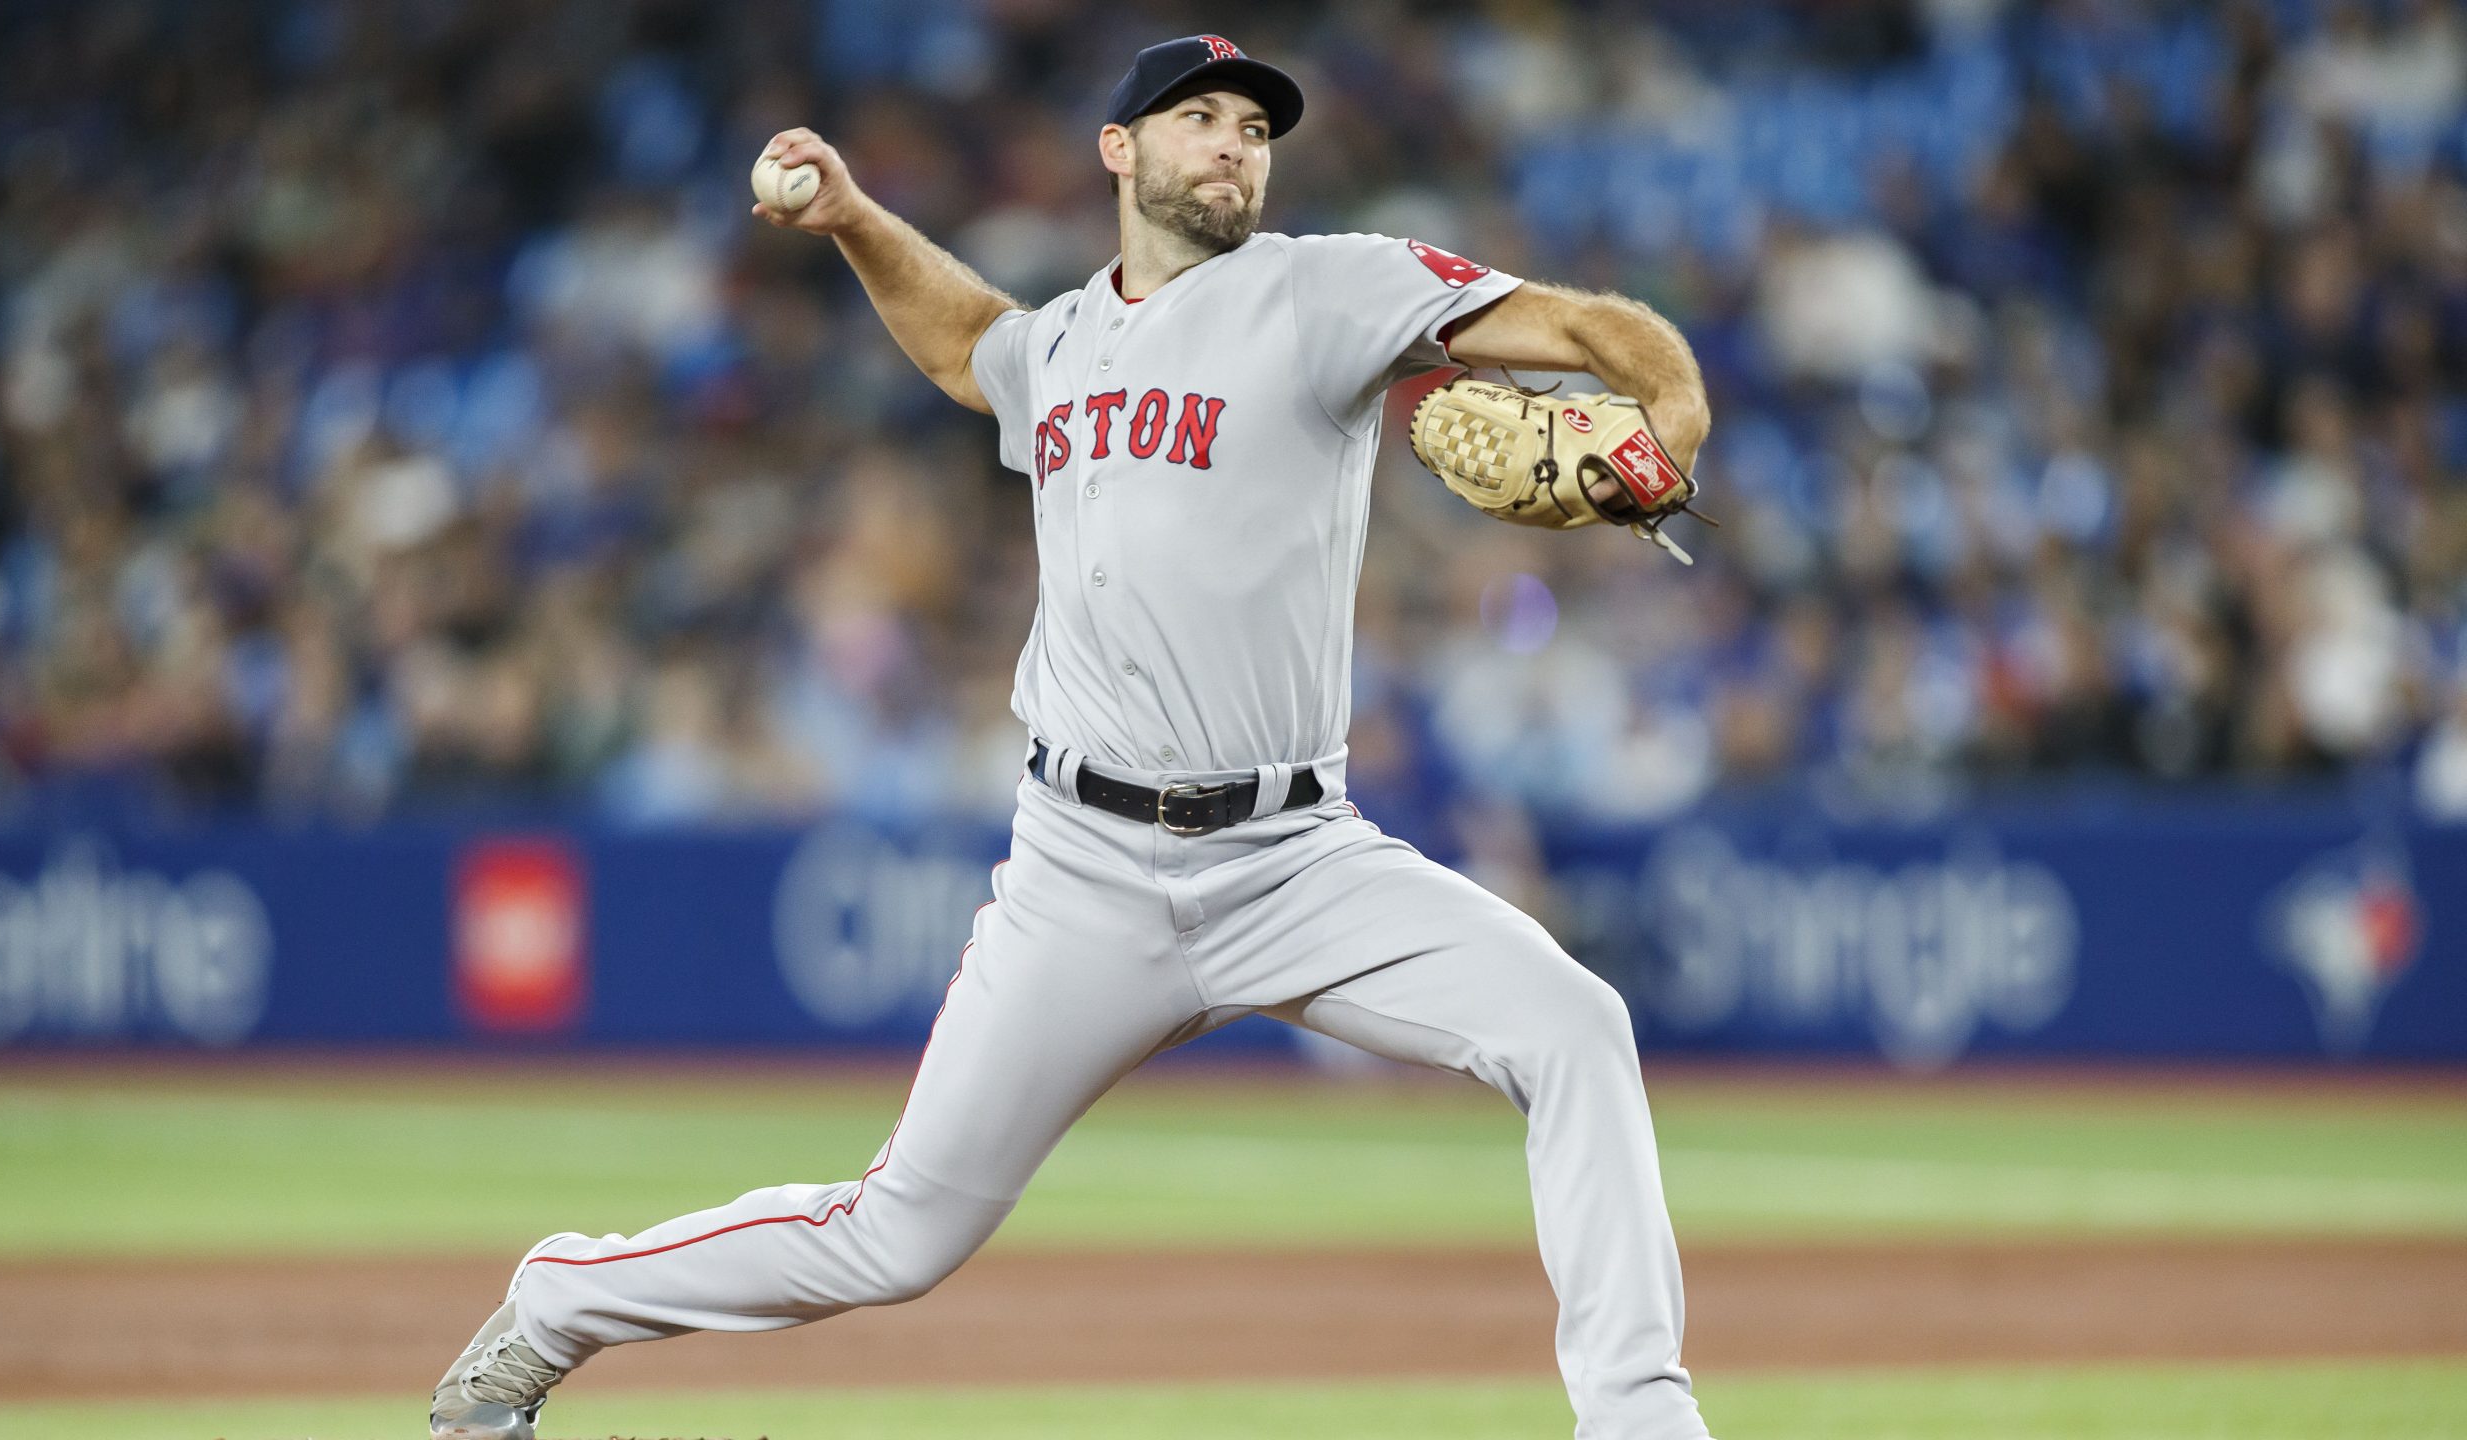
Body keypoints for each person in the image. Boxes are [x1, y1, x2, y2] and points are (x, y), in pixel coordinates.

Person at [431, 34, 1714, 1440]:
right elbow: (967, 349)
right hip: (1083, 873)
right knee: (893, 1237)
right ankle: (558, 1298)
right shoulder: (1064, 343)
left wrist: (1676, 414)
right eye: (1197, 118)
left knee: (1575, 1026)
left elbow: (1595, 330)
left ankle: (1642, 1422)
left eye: (1252, 125)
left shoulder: (1323, 289)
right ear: (1121, 151)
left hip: (1297, 857)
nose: (1232, 142)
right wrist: (856, 220)